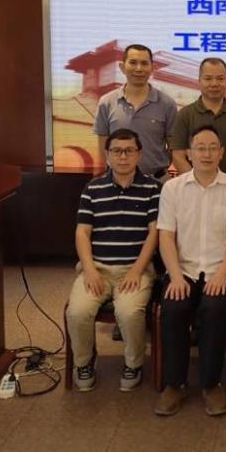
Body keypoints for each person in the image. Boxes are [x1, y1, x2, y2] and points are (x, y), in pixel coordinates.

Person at [153, 126, 226, 417]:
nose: (206, 153)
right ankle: (175, 384)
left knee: (215, 308)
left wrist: (222, 274)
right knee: (174, 307)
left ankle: (211, 383)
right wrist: (175, 276)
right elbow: (165, 236)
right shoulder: (172, 188)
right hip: (183, 269)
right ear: (189, 153)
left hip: (222, 270)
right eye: (200, 148)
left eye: (212, 147)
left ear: (222, 152)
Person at [66, 128, 159, 392]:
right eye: (117, 151)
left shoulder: (153, 188)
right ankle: (84, 363)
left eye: (129, 151)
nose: (123, 156)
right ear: (107, 155)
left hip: (135, 269)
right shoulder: (93, 188)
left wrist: (137, 270)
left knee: (129, 313)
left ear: (139, 154)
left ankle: (133, 364)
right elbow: (82, 233)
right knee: (78, 311)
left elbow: (154, 234)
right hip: (97, 269)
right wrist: (89, 269)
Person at [93, 43, 178, 179]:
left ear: (152, 68)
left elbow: (175, 146)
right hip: (116, 181)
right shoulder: (106, 102)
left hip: (157, 181)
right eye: (133, 63)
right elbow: (103, 148)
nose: (139, 68)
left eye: (144, 63)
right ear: (122, 67)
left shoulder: (167, 104)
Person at [168, 57, 226, 180]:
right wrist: (197, 184)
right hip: (194, 188)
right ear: (199, 81)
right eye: (208, 78)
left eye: (220, 79)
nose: (214, 84)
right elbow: (178, 155)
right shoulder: (185, 114)